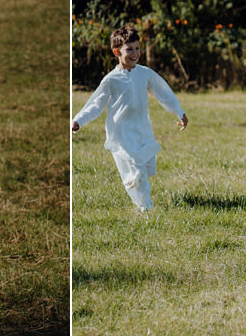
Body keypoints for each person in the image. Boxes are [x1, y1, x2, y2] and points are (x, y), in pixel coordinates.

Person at [72, 25, 187, 212]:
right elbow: (95, 104)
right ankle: (145, 208)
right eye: (129, 49)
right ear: (117, 52)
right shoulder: (111, 79)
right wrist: (78, 120)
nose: (135, 53)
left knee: (141, 169)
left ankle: (144, 205)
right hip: (122, 134)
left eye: (137, 48)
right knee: (135, 173)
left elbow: (163, 92)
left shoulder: (145, 73)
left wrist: (179, 112)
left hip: (141, 131)